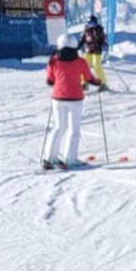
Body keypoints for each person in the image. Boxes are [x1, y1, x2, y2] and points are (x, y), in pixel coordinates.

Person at [44, 32, 103, 170]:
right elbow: (89, 79)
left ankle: (50, 158)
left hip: (57, 98)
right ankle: (70, 160)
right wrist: (98, 81)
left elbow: (49, 81)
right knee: (73, 129)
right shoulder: (80, 61)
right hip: (75, 99)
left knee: (59, 127)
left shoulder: (53, 60)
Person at [80, 15, 108, 91]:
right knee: (84, 67)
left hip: (97, 50)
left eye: (93, 23)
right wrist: (76, 47)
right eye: (90, 23)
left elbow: (103, 39)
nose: (91, 25)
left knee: (96, 66)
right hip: (88, 50)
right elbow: (82, 40)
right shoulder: (86, 30)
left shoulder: (99, 29)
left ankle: (103, 83)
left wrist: (104, 45)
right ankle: (84, 83)